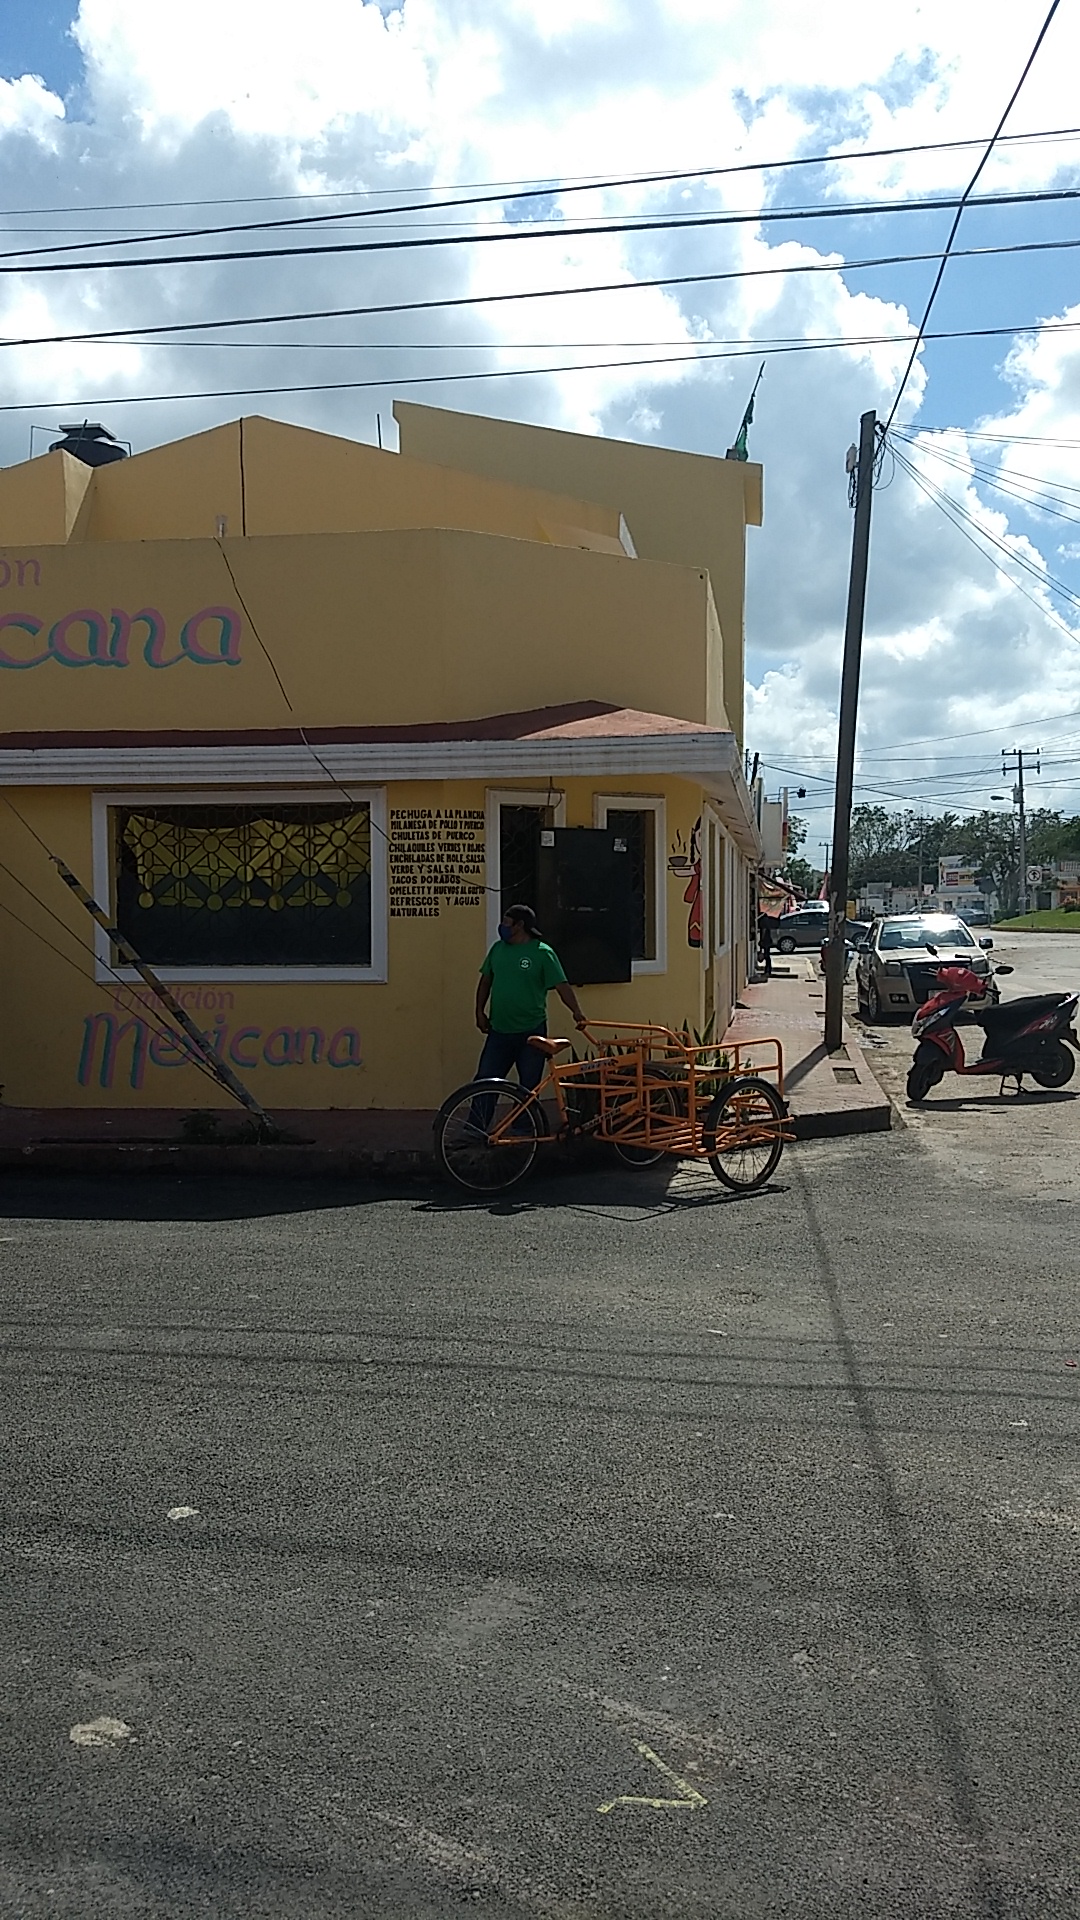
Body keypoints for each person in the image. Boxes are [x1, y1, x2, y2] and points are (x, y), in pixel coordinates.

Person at [475, 903, 587, 1094]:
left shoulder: (542, 953)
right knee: (485, 1084)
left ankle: (525, 1125)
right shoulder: (497, 949)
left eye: (506, 922)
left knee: (528, 1089)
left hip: (531, 1031)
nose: (502, 926)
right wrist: (479, 1011)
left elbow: (562, 986)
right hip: (499, 1031)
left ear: (519, 926)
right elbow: (485, 981)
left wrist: (576, 1012)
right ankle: (476, 1125)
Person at [756, 909, 774, 979]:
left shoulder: (763, 921)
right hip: (768, 940)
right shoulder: (767, 920)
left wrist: (762, 940)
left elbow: (764, 930)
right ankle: (768, 970)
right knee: (767, 956)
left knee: (766, 956)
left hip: (765, 941)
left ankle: (767, 971)